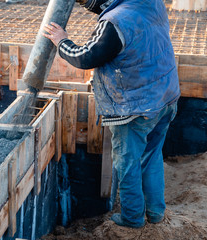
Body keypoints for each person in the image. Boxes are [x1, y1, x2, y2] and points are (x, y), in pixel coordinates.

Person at [43, 0, 180, 228]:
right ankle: (155, 213)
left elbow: (86, 56)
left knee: (127, 164)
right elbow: (120, 10)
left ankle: (132, 218)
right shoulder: (150, 2)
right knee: (151, 156)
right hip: (165, 97)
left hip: (134, 107)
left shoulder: (113, 23)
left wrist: (62, 41)